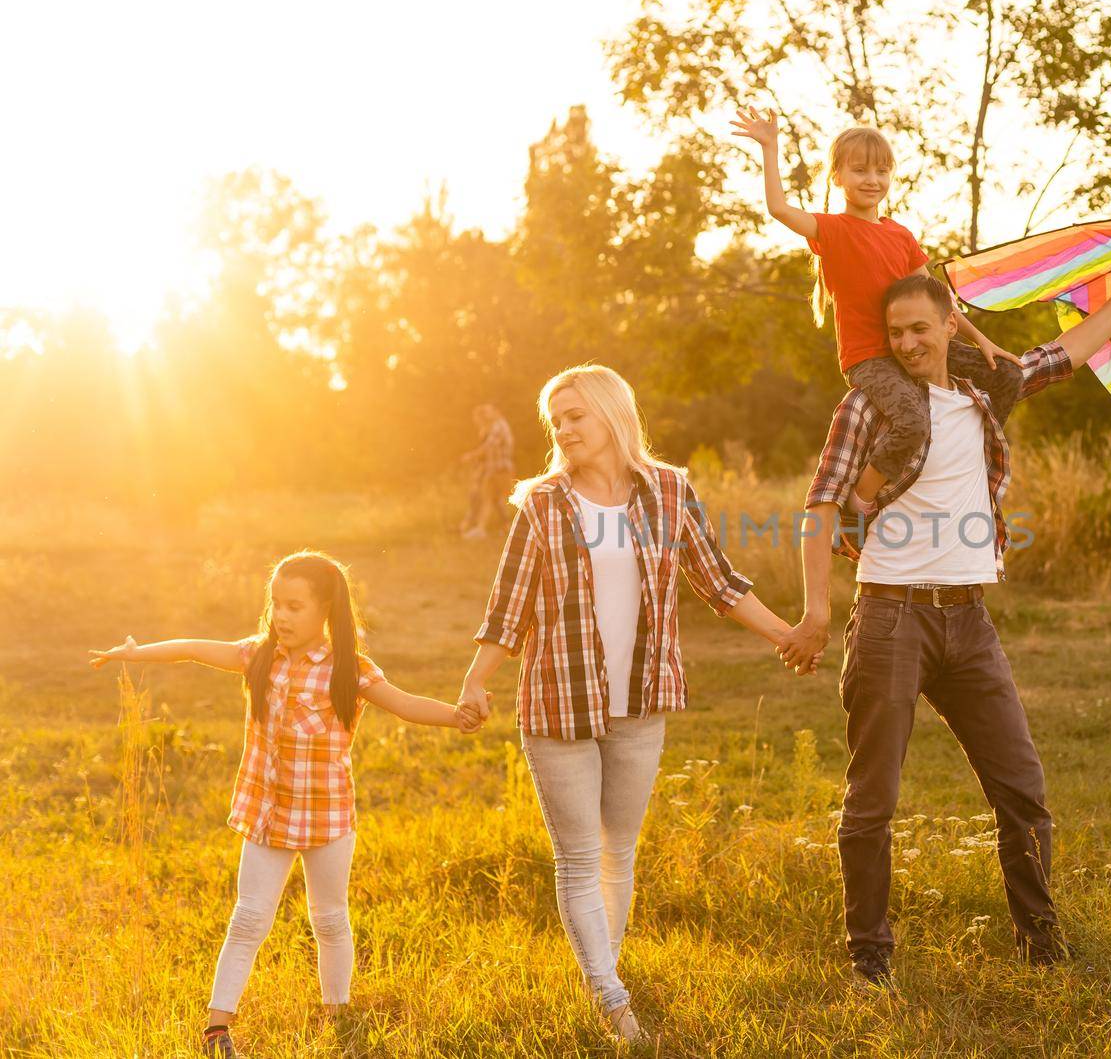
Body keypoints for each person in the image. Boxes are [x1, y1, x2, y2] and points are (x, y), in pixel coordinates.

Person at [777, 260, 1111, 989]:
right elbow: (819, 502)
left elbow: (1068, 352)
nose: (909, 342)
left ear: (953, 323)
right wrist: (816, 611)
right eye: (896, 332)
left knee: (1021, 786)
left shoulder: (984, 390)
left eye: (922, 327)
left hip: (970, 619)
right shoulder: (869, 404)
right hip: (891, 617)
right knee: (873, 796)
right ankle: (869, 957)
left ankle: (1041, 944)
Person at [453, 364, 813, 1045]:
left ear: (612, 414)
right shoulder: (543, 503)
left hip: (642, 700)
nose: (562, 429)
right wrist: (476, 680)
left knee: (620, 848)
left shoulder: (670, 491)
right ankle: (613, 999)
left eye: (574, 415)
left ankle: (600, 973)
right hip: (559, 700)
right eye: (555, 419)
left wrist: (787, 633)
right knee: (579, 855)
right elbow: (508, 604)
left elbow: (720, 582)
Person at [88, 551, 474, 1058]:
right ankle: (216, 1030)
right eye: (276, 604)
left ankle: (337, 1014)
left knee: (330, 919)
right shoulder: (258, 655)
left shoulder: (349, 669)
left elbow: (406, 704)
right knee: (248, 917)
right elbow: (194, 649)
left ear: (326, 610)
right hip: (267, 813)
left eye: (295, 606)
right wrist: (136, 654)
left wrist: (458, 716)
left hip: (328, 816)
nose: (282, 616)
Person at [730, 108, 1025, 524]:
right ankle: (861, 499)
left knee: (1009, 374)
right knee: (911, 422)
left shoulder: (900, 235)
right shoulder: (831, 230)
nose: (872, 180)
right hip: (872, 358)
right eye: (860, 170)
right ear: (837, 177)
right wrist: (770, 148)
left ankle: (968, 455)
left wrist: (981, 340)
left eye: (882, 171)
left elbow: (938, 299)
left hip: (916, 349)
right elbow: (778, 208)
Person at [460, 403, 516, 540]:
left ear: (497, 411)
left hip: (500, 468)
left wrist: (471, 456)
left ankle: (481, 529)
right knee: (496, 499)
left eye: (489, 411)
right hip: (497, 468)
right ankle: (508, 527)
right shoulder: (498, 425)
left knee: (490, 498)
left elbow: (488, 446)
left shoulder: (499, 426)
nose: (486, 414)